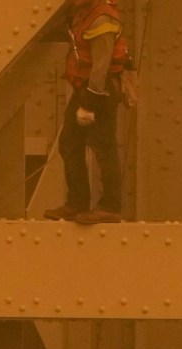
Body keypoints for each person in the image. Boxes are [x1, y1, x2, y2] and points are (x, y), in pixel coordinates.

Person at [47, 0, 135, 224]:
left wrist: (89, 103)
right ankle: (77, 202)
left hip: (99, 90)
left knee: (104, 148)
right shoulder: (83, 12)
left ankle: (110, 206)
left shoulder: (101, 18)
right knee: (69, 143)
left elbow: (101, 65)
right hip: (84, 88)